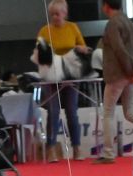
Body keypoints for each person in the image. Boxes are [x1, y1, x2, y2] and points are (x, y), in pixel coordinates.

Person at [93, 0, 133, 164]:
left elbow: (119, 50)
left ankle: (108, 153)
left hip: (118, 74)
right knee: (130, 112)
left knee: (107, 113)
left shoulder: (112, 24)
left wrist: (129, 72)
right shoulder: (130, 23)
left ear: (106, 6)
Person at [37, 0, 88, 162]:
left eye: (58, 14)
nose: (55, 17)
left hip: (71, 74)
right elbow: (39, 54)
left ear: (65, 13)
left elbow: (84, 48)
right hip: (51, 76)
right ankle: (51, 149)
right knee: (53, 112)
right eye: (52, 14)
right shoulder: (44, 31)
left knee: (72, 112)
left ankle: (77, 148)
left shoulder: (73, 28)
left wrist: (81, 49)